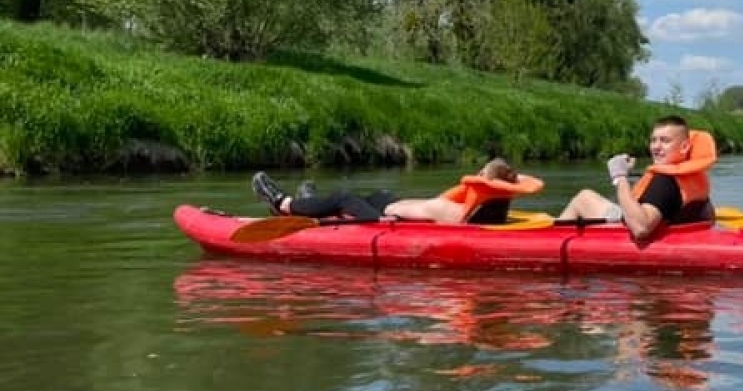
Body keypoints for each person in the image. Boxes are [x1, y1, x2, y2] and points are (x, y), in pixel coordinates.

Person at [557, 115, 716, 240]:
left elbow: (641, 228)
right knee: (586, 196)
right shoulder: (694, 174)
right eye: (653, 140)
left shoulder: (665, 180)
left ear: (685, 146)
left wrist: (620, 177)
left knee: (583, 198)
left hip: (628, 227)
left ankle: (553, 241)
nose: (656, 147)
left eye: (665, 141)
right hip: (679, 228)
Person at [251, 158, 543, 225]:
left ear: (484, 181)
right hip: (392, 208)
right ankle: (310, 203)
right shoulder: (488, 211)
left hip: (386, 221)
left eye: (480, 173)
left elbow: (430, 210)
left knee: (343, 197)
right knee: (380, 194)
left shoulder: (457, 212)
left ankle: (283, 203)